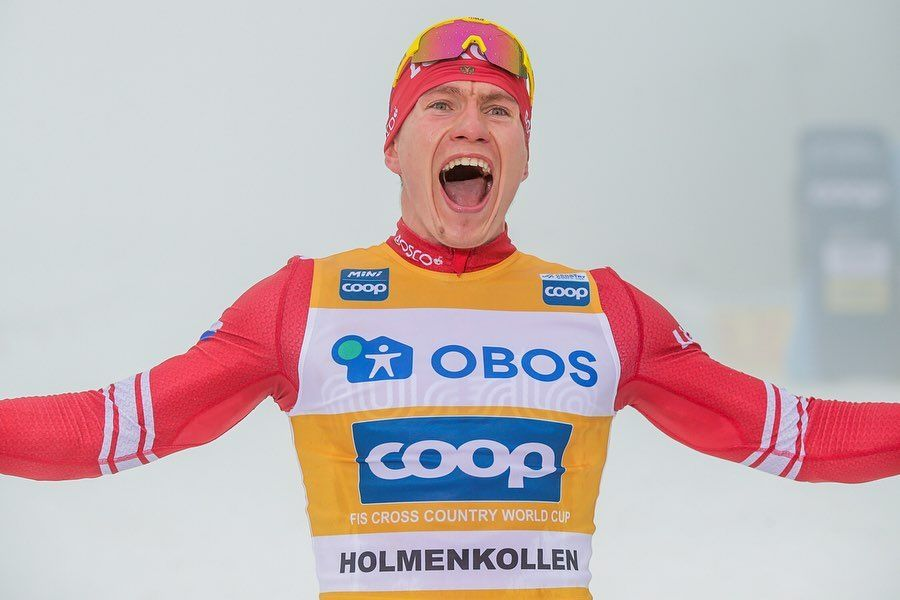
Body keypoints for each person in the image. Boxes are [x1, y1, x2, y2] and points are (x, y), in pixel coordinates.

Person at [1, 16, 898, 599]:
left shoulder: (606, 311)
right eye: (441, 104)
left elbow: (792, 433)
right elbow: (121, 424)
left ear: (525, 155)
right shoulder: (301, 302)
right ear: (393, 147)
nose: (471, 124)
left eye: (499, 110)